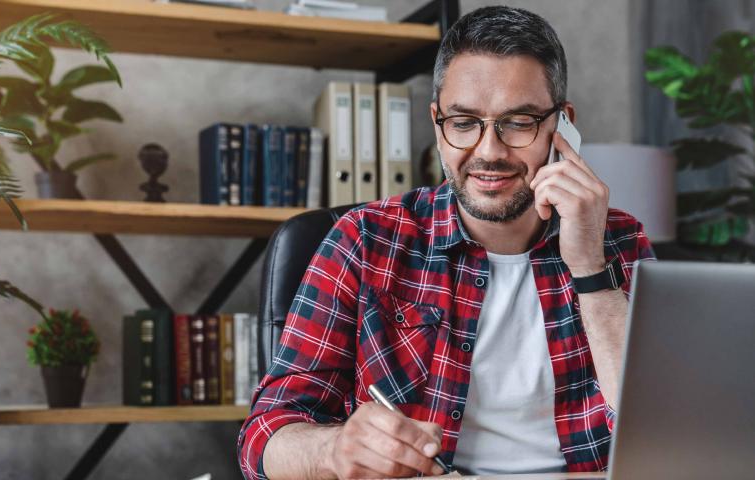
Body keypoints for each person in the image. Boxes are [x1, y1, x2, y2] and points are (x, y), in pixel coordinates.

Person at [238, 5, 655, 479]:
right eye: (463, 122)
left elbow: (669, 435)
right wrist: (335, 449)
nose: (489, 151)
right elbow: (264, 436)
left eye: (518, 122)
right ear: (438, 123)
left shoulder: (619, 240)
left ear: (562, 127)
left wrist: (590, 268)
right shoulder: (366, 239)